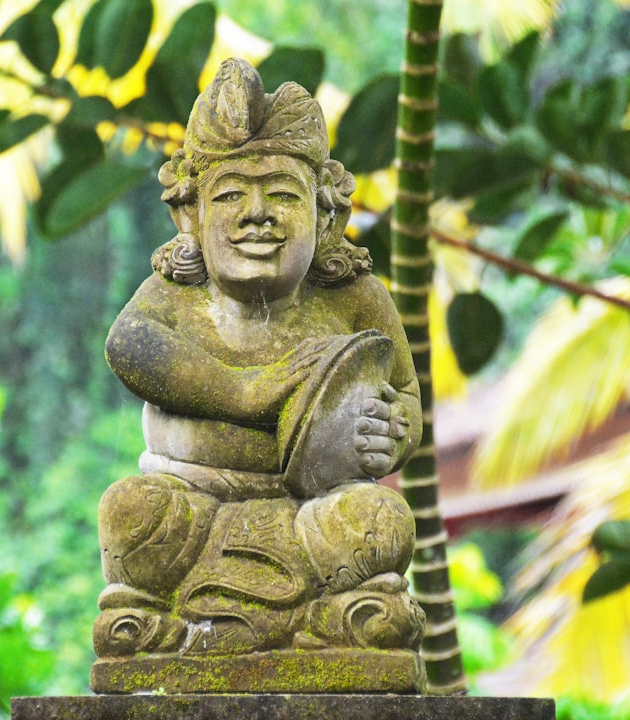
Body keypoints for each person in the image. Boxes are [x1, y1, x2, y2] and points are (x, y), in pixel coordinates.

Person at [94, 58, 424, 659]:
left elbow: (402, 395)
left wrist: (392, 433)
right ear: (190, 216)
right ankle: (198, 621)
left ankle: (327, 618)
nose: (257, 215)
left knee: (381, 523)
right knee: (130, 512)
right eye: (230, 196)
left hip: (316, 515)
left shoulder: (354, 299)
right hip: (193, 508)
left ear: (326, 216)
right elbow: (128, 347)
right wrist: (246, 390)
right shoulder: (176, 294)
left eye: (281, 195)